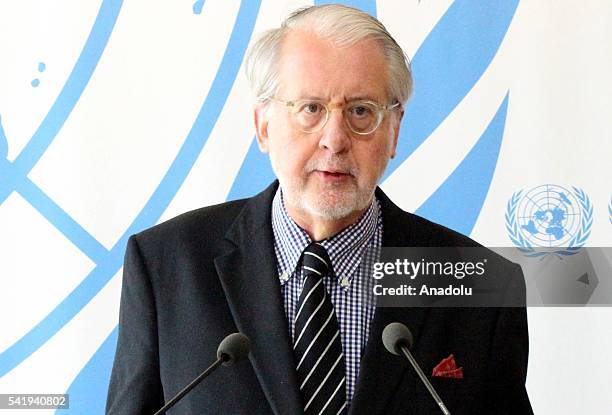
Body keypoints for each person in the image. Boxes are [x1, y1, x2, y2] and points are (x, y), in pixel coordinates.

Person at [106, 4, 532, 414]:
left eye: (361, 112)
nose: (335, 139)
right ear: (264, 125)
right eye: (310, 109)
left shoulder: (478, 285)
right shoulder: (166, 264)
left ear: (395, 130)